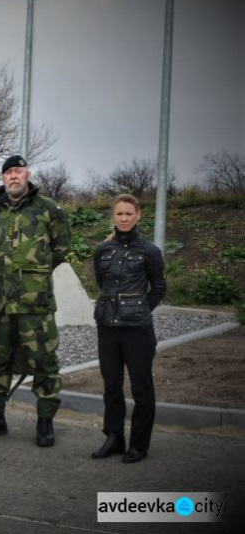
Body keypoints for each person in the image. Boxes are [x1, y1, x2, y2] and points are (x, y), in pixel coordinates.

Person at [0, 154, 71, 447]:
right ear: (3, 178)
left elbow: (61, 249)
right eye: (9, 173)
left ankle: (45, 422)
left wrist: (33, 277)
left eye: (19, 171)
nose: (14, 176)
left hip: (36, 306)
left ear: (27, 174)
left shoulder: (48, 210)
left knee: (45, 363)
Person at [91, 193, 166, 463]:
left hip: (137, 330)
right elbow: (102, 283)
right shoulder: (103, 250)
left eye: (128, 214)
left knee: (141, 388)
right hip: (107, 327)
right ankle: (114, 437)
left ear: (138, 216)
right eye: (119, 214)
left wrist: (139, 309)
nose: (123, 218)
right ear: (114, 216)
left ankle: (139, 445)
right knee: (111, 385)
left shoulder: (149, 251)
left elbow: (158, 288)